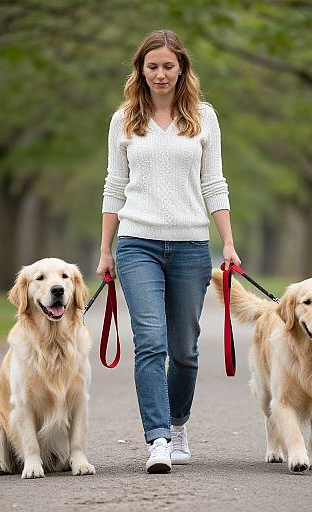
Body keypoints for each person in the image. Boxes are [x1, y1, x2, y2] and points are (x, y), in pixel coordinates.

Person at [96, 29, 241, 474]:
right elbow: (114, 187)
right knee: (150, 343)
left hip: (191, 246)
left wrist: (229, 243)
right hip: (136, 243)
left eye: (168, 66)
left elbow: (213, 182)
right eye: (152, 66)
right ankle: (157, 439)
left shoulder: (204, 117)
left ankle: (178, 425)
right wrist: (105, 251)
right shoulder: (124, 119)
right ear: (140, 69)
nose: (160, 74)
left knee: (184, 350)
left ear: (182, 70)